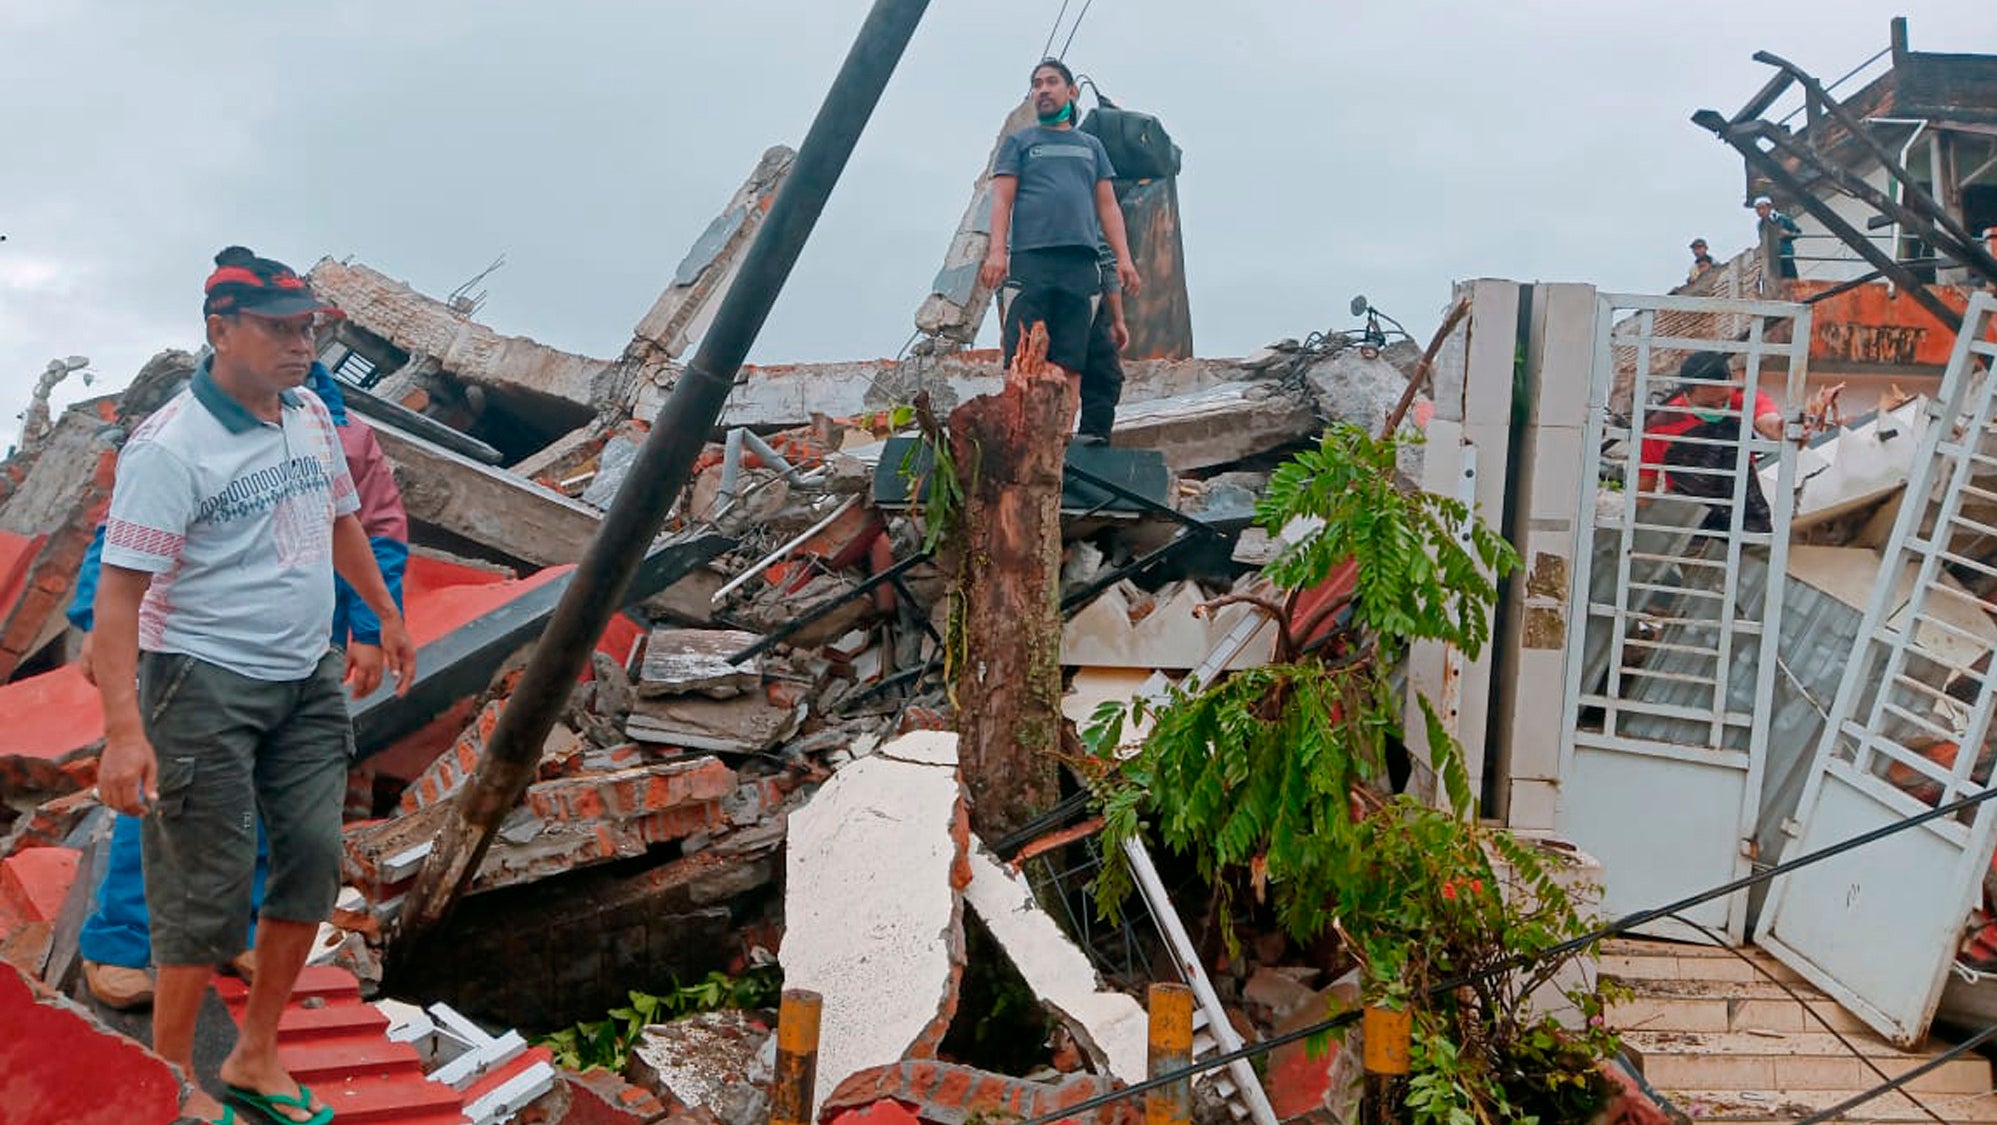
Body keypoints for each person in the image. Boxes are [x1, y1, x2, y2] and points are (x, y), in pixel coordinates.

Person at [92, 246, 414, 1125]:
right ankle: (169, 1080)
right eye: (277, 327)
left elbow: (343, 519)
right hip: (200, 680)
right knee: (206, 883)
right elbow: (116, 602)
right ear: (219, 328)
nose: (298, 344)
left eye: (306, 326)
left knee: (310, 858)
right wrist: (125, 732)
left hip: (305, 673)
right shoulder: (170, 448)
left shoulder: (309, 414)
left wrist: (380, 615)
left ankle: (254, 1052)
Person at [979, 58, 1141, 403]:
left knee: (1072, 358)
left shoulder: (1091, 147)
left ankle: (1062, 438)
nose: (1042, 90)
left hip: (1080, 263)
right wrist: (997, 253)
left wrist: (1125, 259)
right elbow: (1001, 201)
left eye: (1051, 82)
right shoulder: (1019, 143)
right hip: (1031, 260)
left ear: (1071, 91)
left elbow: (1108, 207)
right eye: (1036, 84)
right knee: (1023, 354)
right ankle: (1019, 429)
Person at [1636, 350, 1785, 534]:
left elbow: (1770, 424)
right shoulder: (1660, 424)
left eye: (1724, 401)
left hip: (1746, 514)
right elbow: (1643, 494)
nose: (1719, 409)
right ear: (1687, 394)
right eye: (1708, 405)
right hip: (1689, 522)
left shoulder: (1741, 400)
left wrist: (1787, 429)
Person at [1075, 239, 1130, 445]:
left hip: (1030, 290)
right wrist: (1118, 319)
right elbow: (1104, 255)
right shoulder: (1085, 205)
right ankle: (1090, 451)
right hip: (1079, 290)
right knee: (1103, 378)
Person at [1754, 196, 1802, 279]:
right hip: (1771, 258)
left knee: (1790, 279)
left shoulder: (1782, 219)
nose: (1760, 211)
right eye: (1758, 209)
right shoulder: (1760, 225)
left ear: (1769, 207)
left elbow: (1797, 232)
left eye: (1762, 208)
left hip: (1785, 254)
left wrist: (1788, 234)